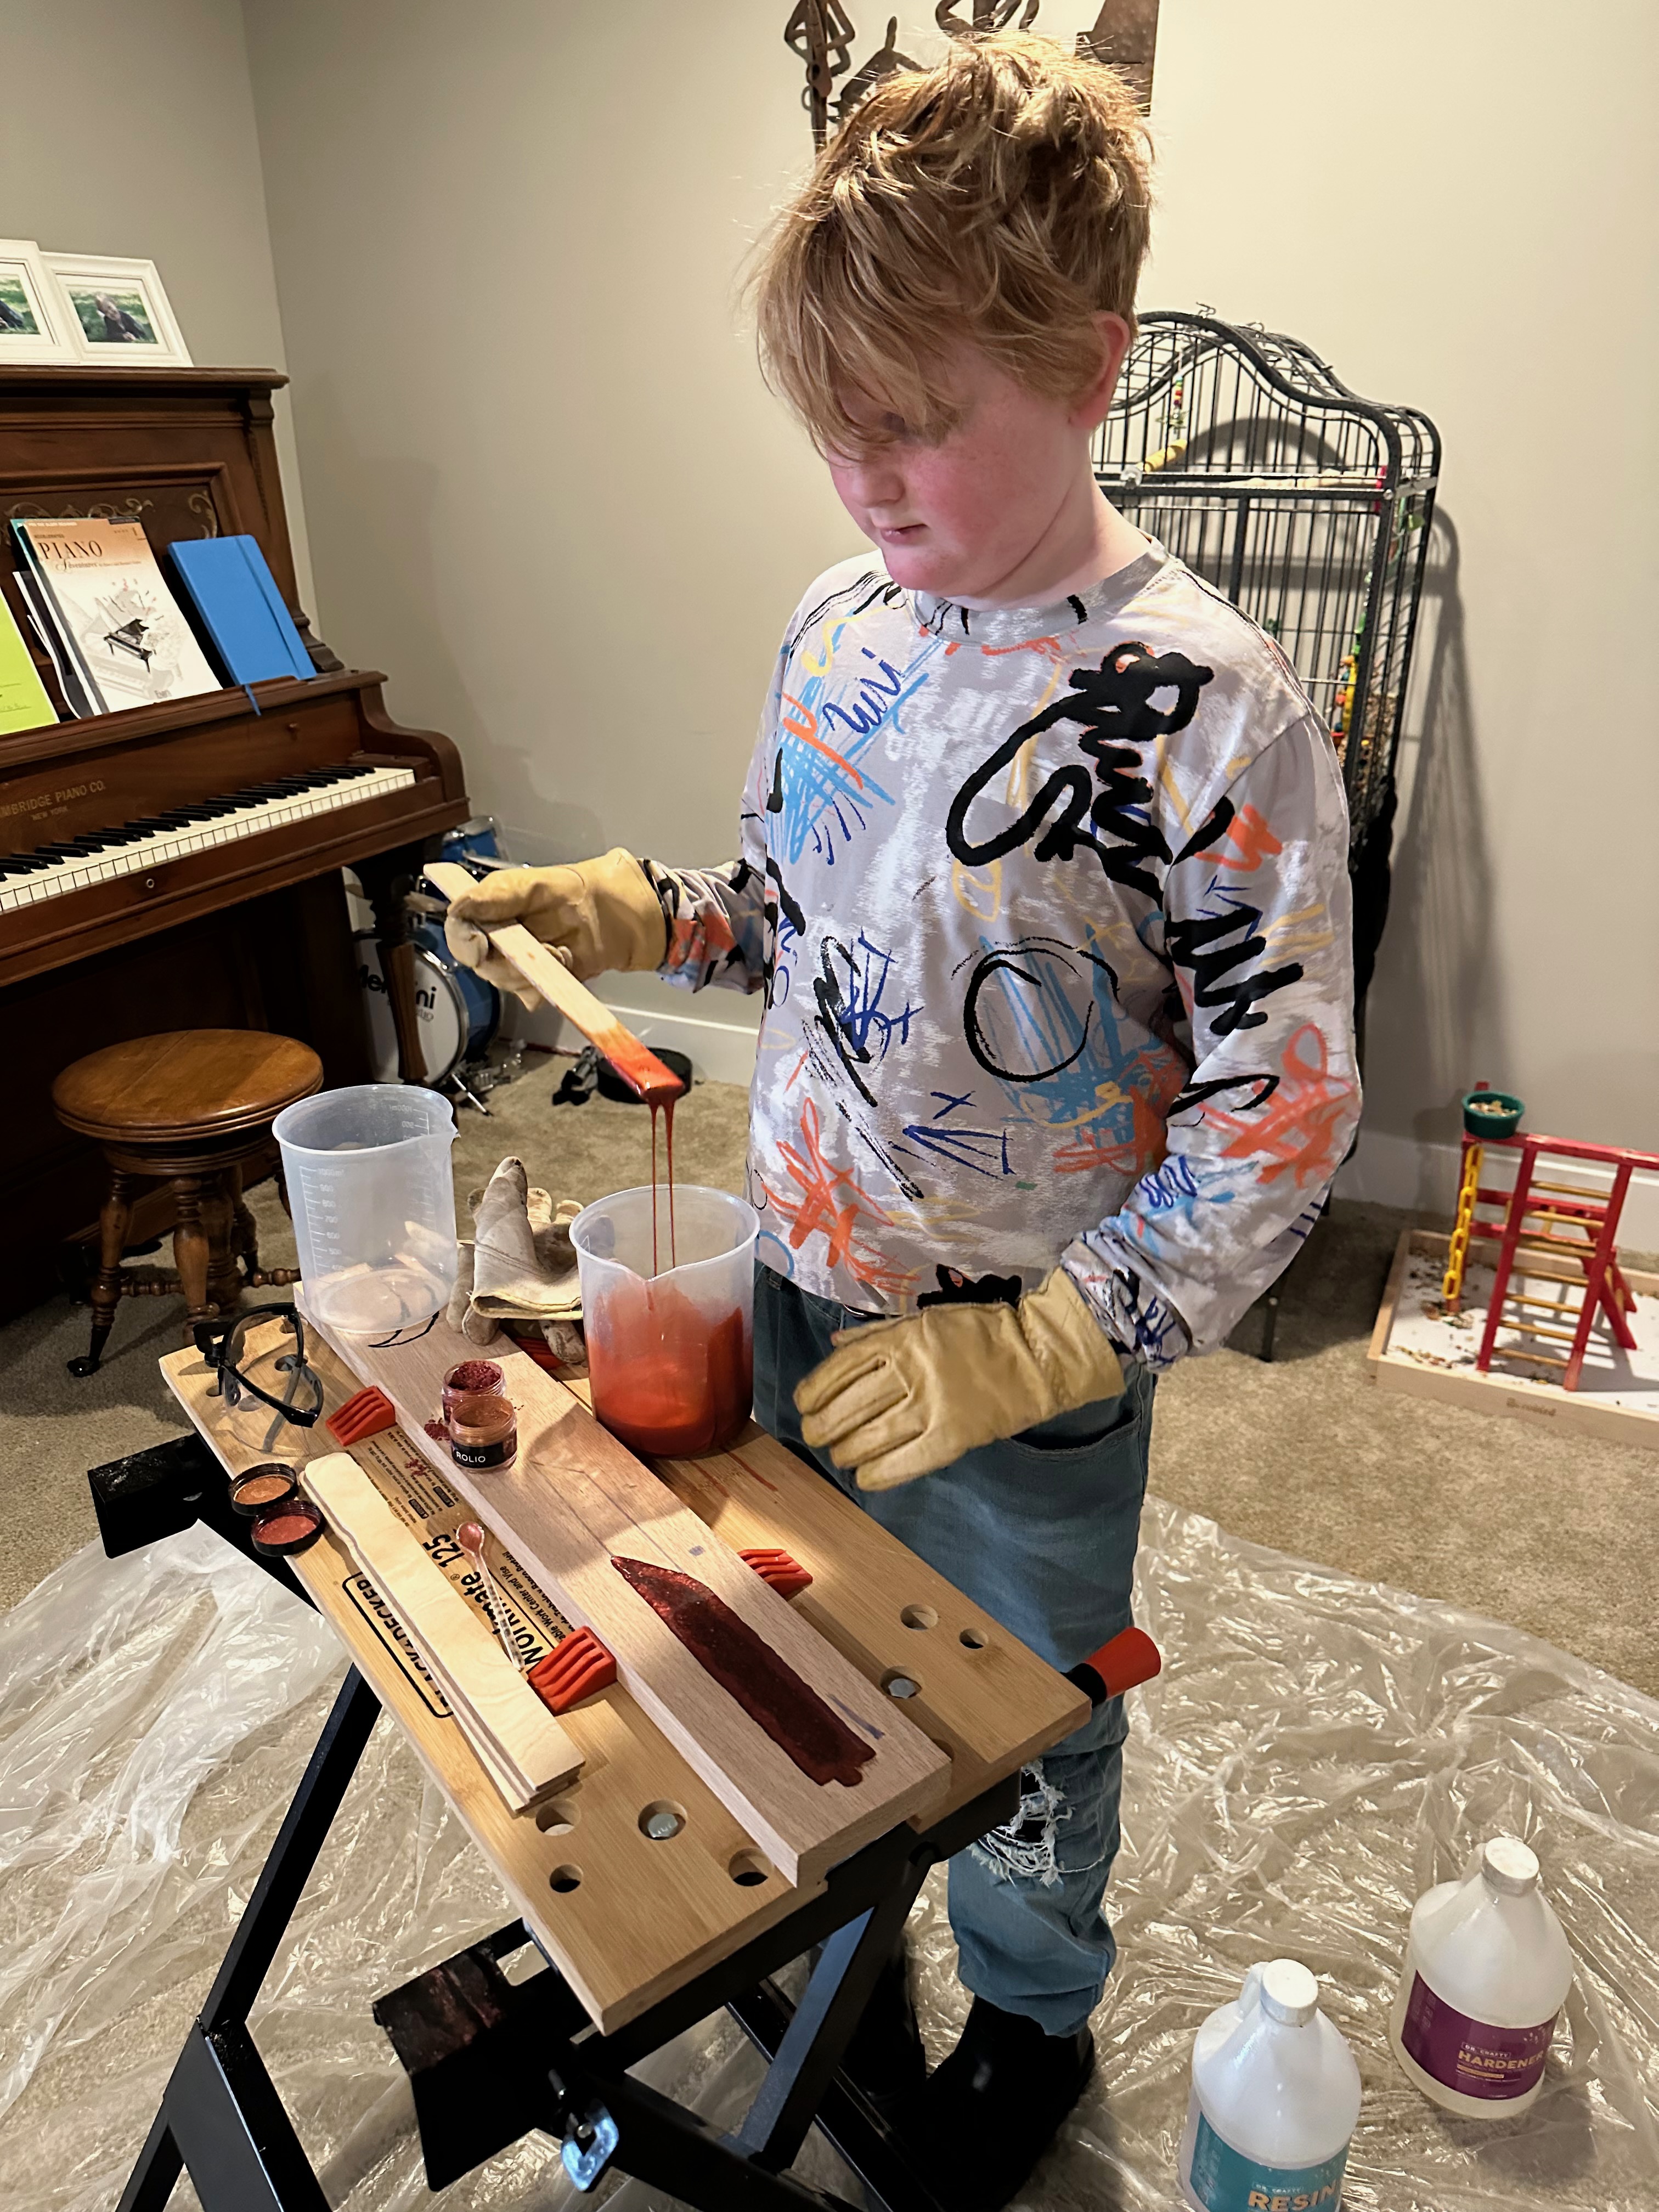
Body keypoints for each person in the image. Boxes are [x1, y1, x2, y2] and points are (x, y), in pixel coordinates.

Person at [447, 32, 1360, 2209]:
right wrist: (639, 908)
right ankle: (839, 1926)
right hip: (797, 1264)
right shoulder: (841, 621)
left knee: (1026, 1713)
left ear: (1092, 368)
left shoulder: (1210, 712)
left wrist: (1050, 1343)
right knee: (795, 1634)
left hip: (1021, 1358)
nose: (863, 472)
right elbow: (791, 906)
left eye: (919, 419)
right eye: (832, 422)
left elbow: (1282, 1106)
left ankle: (1029, 2013)